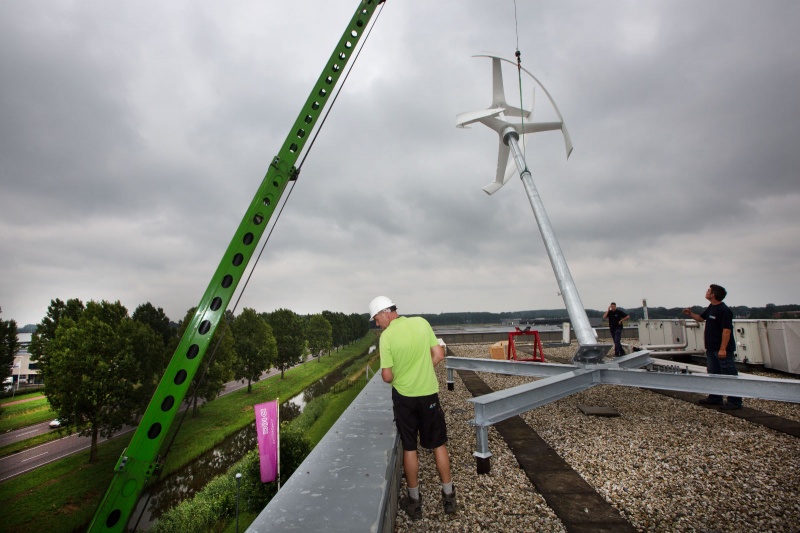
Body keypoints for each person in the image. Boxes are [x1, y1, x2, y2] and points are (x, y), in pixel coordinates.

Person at [369, 295, 456, 519]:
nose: (376, 324)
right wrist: (421, 369)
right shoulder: (421, 323)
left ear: (386, 313)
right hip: (428, 395)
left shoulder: (386, 337)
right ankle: (449, 498)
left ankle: (415, 503)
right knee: (438, 444)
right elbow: (439, 354)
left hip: (404, 398)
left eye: (376, 319)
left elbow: (387, 376)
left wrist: (403, 374)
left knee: (410, 447)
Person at [682, 284, 742, 410]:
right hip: (711, 348)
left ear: (713, 295)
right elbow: (701, 318)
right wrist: (690, 314)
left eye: (709, 290)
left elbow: (726, 331)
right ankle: (715, 398)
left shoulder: (724, 310)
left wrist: (722, 349)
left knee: (729, 374)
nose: (707, 292)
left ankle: (735, 402)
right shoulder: (711, 307)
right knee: (714, 373)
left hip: (722, 349)